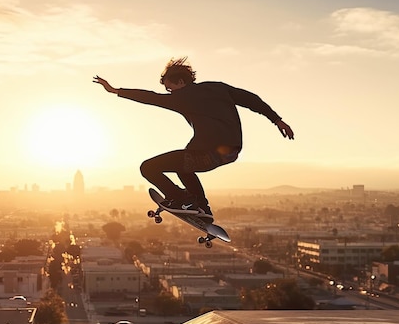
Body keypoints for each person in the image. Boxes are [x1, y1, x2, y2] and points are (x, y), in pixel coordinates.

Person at [93, 57, 294, 220]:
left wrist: (115, 91)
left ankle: (181, 198)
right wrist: (277, 120)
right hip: (231, 152)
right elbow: (252, 100)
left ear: (181, 82)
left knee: (148, 167)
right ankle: (202, 208)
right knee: (184, 164)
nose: (171, 94)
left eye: (171, 88)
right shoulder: (218, 88)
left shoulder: (183, 96)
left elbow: (151, 97)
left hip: (208, 153)